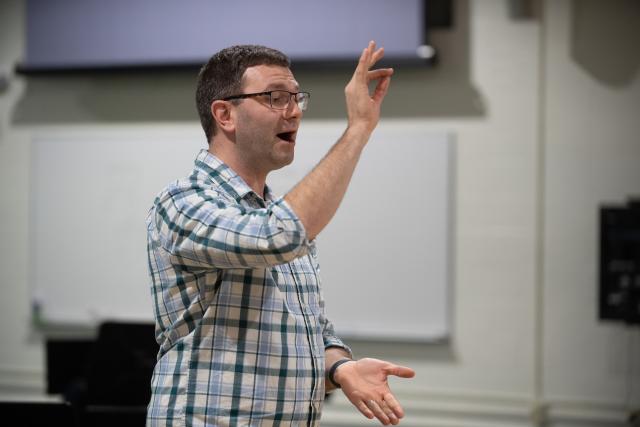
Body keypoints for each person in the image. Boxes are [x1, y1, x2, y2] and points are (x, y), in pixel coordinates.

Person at [145, 41, 415, 426]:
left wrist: (341, 369)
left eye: (296, 98)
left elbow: (311, 330)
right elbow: (279, 236)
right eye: (274, 97)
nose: (293, 112)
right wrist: (357, 129)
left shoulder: (275, 211)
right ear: (225, 114)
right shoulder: (182, 202)